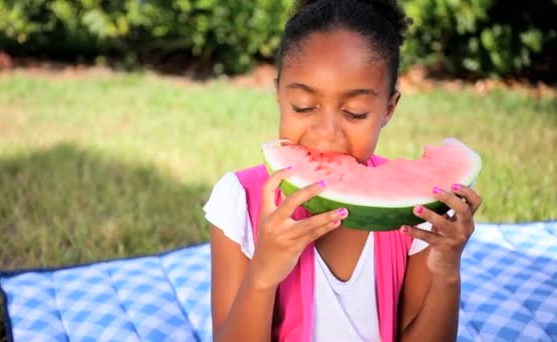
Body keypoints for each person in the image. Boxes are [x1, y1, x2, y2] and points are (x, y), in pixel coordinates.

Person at [204, 0, 483, 341]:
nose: (326, 134)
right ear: (278, 93)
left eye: (354, 112)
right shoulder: (237, 201)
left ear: (388, 108)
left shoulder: (419, 209)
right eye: (303, 107)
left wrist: (447, 273)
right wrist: (263, 274)